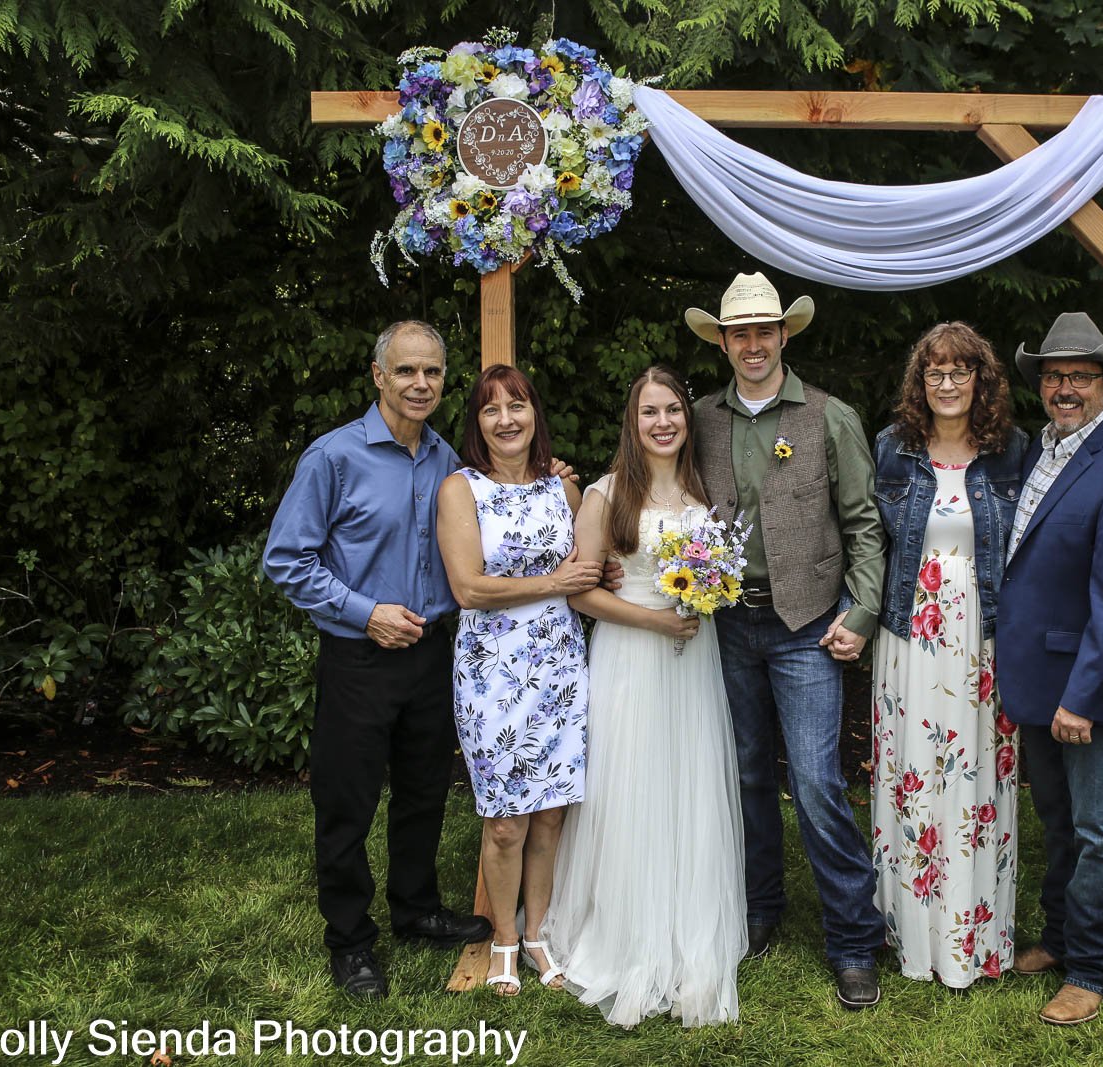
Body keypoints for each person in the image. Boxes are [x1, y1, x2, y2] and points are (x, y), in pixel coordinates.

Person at [263, 320, 491, 1000]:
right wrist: (367, 612)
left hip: (431, 654)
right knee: (348, 800)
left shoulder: (448, 458)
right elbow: (286, 558)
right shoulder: (333, 458)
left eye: (432, 373)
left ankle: (416, 908)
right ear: (377, 375)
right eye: (406, 371)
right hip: (360, 656)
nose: (420, 384)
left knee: (423, 791)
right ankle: (351, 939)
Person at [684, 271, 889, 1009]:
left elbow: (865, 524)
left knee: (816, 782)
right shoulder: (701, 417)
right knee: (742, 778)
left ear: (784, 336)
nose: (753, 343)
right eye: (739, 332)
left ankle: (854, 939)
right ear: (724, 343)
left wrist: (860, 614)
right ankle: (759, 908)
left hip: (807, 626)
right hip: (728, 623)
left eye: (764, 330)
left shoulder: (832, 417)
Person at [541, 366, 748, 1028]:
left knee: (687, 786)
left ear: (687, 419)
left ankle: (687, 923)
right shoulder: (606, 494)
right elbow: (581, 591)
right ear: (632, 424)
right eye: (649, 412)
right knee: (630, 788)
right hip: (632, 656)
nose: (662, 422)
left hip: (693, 664)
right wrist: (657, 619)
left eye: (673, 411)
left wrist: (708, 596)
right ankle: (625, 931)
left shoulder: (700, 489)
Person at [996, 312, 1103, 1025]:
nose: (1064, 388)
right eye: (1054, 375)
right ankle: (1061, 937)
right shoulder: (1043, 453)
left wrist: (1083, 697)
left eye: (1079, 376)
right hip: (1039, 680)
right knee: (1059, 820)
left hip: (1088, 688)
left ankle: (1095, 969)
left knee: (1099, 828)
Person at [870, 322, 1028, 986]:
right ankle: (908, 933)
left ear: (981, 379)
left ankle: (975, 934)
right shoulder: (893, 449)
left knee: (977, 776)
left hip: (982, 638)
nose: (947, 384)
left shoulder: (1012, 450)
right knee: (912, 772)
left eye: (961, 371)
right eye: (934, 372)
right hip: (910, 633)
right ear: (919, 382)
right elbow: (866, 538)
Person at [436, 364, 600, 996]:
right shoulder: (460, 489)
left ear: (535, 414)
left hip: (560, 664)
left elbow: (590, 568)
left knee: (552, 815)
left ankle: (537, 934)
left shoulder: (562, 488)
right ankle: (503, 936)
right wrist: (553, 585)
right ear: (477, 423)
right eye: (491, 409)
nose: (506, 419)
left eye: (518, 405)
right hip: (493, 671)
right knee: (507, 819)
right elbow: (469, 587)